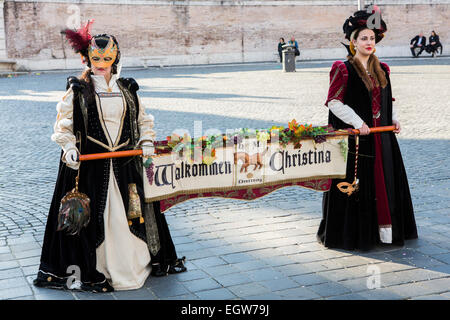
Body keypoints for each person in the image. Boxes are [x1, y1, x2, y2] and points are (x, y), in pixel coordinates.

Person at [33, 21, 186, 293]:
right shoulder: (77, 90)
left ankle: (135, 264)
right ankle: (99, 268)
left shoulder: (128, 89)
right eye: (96, 57)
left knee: (132, 215)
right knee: (95, 220)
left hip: (126, 167)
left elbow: (142, 121)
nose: (101, 62)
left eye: (107, 57)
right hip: (91, 169)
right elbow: (63, 126)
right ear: (86, 57)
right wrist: (68, 147)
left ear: (116, 58)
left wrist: (147, 141)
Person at [317, 8, 418, 251]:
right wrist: (357, 123)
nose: (369, 42)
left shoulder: (382, 68)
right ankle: (359, 234)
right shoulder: (343, 69)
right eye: (363, 38)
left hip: (382, 139)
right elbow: (334, 102)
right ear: (353, 41)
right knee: (361, 186)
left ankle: (384, 232)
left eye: (372, 38)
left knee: (386, 185)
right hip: (358, 141)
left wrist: (394, 120)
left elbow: (387, 99)